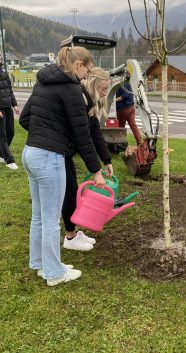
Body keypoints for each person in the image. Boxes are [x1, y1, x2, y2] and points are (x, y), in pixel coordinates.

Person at [19, 46, 106, 287]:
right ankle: (54, 273)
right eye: (87, 70)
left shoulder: (43, 82)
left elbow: (25, 119)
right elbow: (82, 136)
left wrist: (45, 133)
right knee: (49, 219)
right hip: (48, 157)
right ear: (78, 64)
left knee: (39, 216)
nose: (87, 75)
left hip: (30, 152)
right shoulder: (70, 89)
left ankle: (39, 263)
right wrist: (97, 170)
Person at [62, 67, 113, 251]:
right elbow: (84, 139)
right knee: (69, 193)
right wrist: (96, 171)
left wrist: (106, 159)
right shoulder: (80, 99)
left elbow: (94, 133)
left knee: (72, 190)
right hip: (57, 151)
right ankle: (70, 236)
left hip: (64, 151)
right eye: (104, 88)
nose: (106, 93)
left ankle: (73, 232)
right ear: (94, 84)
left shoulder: (90, 102)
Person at [0, 54, 20, 170]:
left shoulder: (3, 70)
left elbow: (9, 89)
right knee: (2, 135)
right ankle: (9, 160)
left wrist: (15, 105)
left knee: (10, 132)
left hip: (7, 106)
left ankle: (1, 154)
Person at [115, 74, 142, 146]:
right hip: (131, 107)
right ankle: (139, 143)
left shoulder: (120, 84)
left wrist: (114, 100)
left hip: (123, 109)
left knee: (121, 127)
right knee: (133, 125)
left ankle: (121, 143)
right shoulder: (128, 83)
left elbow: (125, 95)